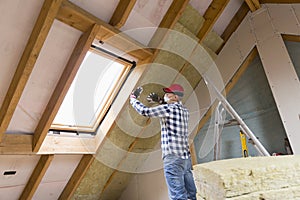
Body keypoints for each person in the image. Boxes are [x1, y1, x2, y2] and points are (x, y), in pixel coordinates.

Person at [130, 84, 197, 200]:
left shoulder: (168, 109)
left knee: (178, 196)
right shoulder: (185, 111)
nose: (166, 95)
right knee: (191, 194)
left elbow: (145, 111)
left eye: (169, 93)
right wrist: (160, 101)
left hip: (173, 159)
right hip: (185, 159)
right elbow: (171, 114)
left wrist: (133, 99)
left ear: (175, 97)